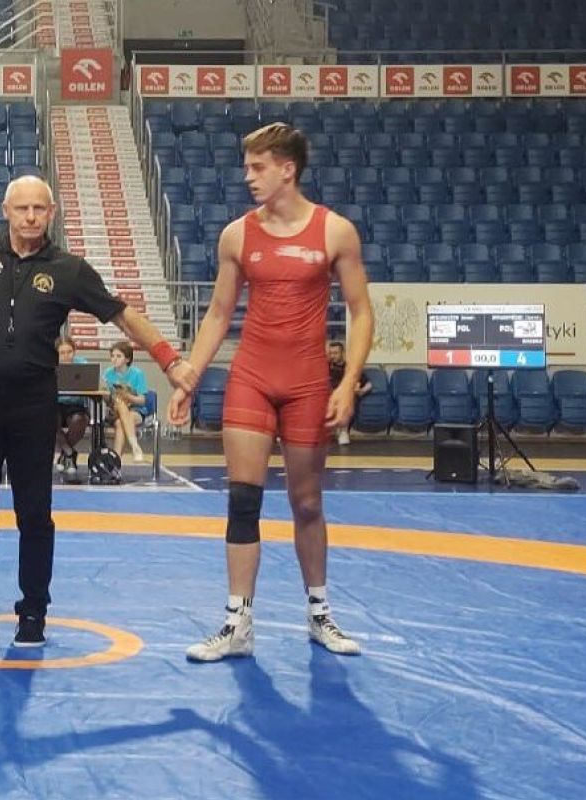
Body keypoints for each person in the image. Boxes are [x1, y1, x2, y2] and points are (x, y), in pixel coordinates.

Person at [0, 95, 198, 648]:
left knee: (35, 515)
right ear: (6, 210)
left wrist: (170, 360)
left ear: (52, 213)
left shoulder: (69, 269)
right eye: (22, 208)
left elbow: (123, 314)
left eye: (40, 208)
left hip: (34, 405)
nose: (31, 217)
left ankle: (32, 611)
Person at [167, 122, 374, 661]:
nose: (248, 177)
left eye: (258, 167)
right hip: (252, 378)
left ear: (288, 169)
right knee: (243, 500)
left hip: (307, 383)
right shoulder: (236, 236)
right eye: (247, 167)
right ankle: (237, 622)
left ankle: (319, 613)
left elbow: (361, 311)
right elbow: (218, 313)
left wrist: (347, 382)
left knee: (307, 502)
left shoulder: (335, 232)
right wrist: (190, 374)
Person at [102, 340, 149, 463]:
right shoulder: (108, 373)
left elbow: (142, 400)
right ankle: (135, 446)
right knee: (120, 404)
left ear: (127, 359)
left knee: (120, 424)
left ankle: (115, 461)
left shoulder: (137, 374)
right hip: (115, 409)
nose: (114, 359)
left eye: (118, 356)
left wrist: (128, 396)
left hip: (135, 409)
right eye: (112, 356)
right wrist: (105, 395)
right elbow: (108, 399)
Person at [54, 336, 89, 478]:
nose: (66, 356)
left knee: (79, 420)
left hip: (76, 405)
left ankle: (64, 454)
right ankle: (70, 453)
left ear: (74, 352)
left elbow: (92, 385)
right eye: (62, 353)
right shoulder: (50, 365)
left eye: (69, 352)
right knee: (47, 420)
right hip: (55, 404)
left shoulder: (83, 365)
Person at [327, 341, 371, 445]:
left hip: (345, 396)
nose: (332, 356)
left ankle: (343, 431)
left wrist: (361, 391)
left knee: (348, 399)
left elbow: (369, 384)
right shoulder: (326, 367)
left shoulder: (351, 368)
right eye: (331, 353)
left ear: (342, 353)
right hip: (329, 395)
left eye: (335, 353)